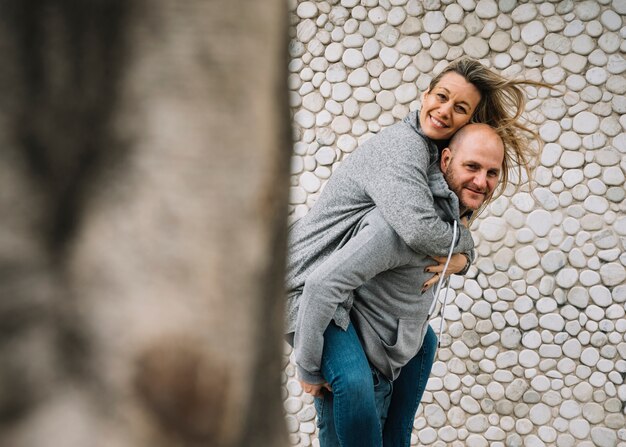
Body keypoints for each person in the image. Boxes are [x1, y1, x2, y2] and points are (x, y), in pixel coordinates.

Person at [285, 57, 543, 446]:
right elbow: (418, 229)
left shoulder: (432, 154)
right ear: (424, 95)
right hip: (303, 282)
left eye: (460, 108)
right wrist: (466, 252)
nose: (444, 111)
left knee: (424, 342)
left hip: (333, 283)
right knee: (352, 383)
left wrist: (461, 255)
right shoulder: (402, 148)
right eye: (441, 97)